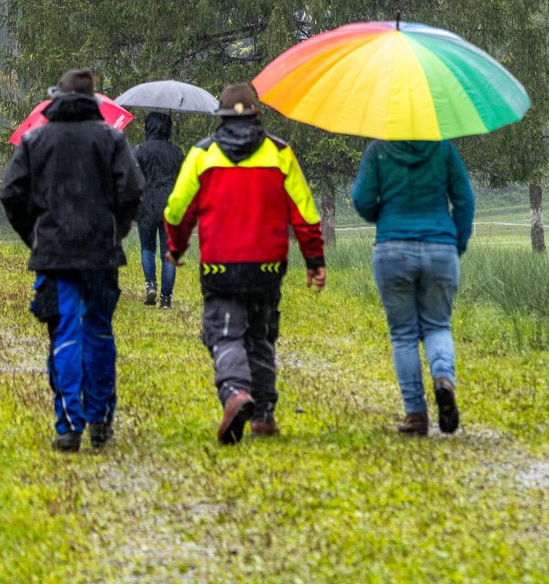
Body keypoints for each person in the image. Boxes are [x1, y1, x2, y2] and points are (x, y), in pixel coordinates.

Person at [164, 83, 326, 444]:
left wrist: (175, 248)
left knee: (224, 335)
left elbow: (177, 210)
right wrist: (313, 258)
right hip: (267, 266)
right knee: (261, 335)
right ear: (257, 115)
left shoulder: (203, 154)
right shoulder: (280, 153)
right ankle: (264, 415)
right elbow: (304, 212)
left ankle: (236, 392)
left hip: (221, 265)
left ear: (219, 117)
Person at [0, 68, 142, 452]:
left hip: (55, 256)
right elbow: (132, 191)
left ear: (56, 100)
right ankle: (99, 421)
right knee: (97, 332)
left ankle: (68, 426)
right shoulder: (111, 139)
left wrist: (35, 236)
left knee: (64, 335)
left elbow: (12, 194)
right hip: (101, 255)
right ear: (94, 101)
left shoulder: (35, 140)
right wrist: (117, 230)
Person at [351, 137, 475, 436]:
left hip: (392, 248)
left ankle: (416, 414)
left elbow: (362, 200)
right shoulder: (443, 148)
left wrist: (383, 212)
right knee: (438, 326)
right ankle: (443, 378)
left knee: (403, 334)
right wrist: (455, 243)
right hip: (440, 247)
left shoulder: (379, 150)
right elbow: (465, 199)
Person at [131, 112, 184, 308]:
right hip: (170, 206)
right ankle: (167, 299)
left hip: (145, 205)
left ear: (148, 127)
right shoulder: (176, 152)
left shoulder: (140, 150)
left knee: (147, 248)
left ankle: (150, 285)